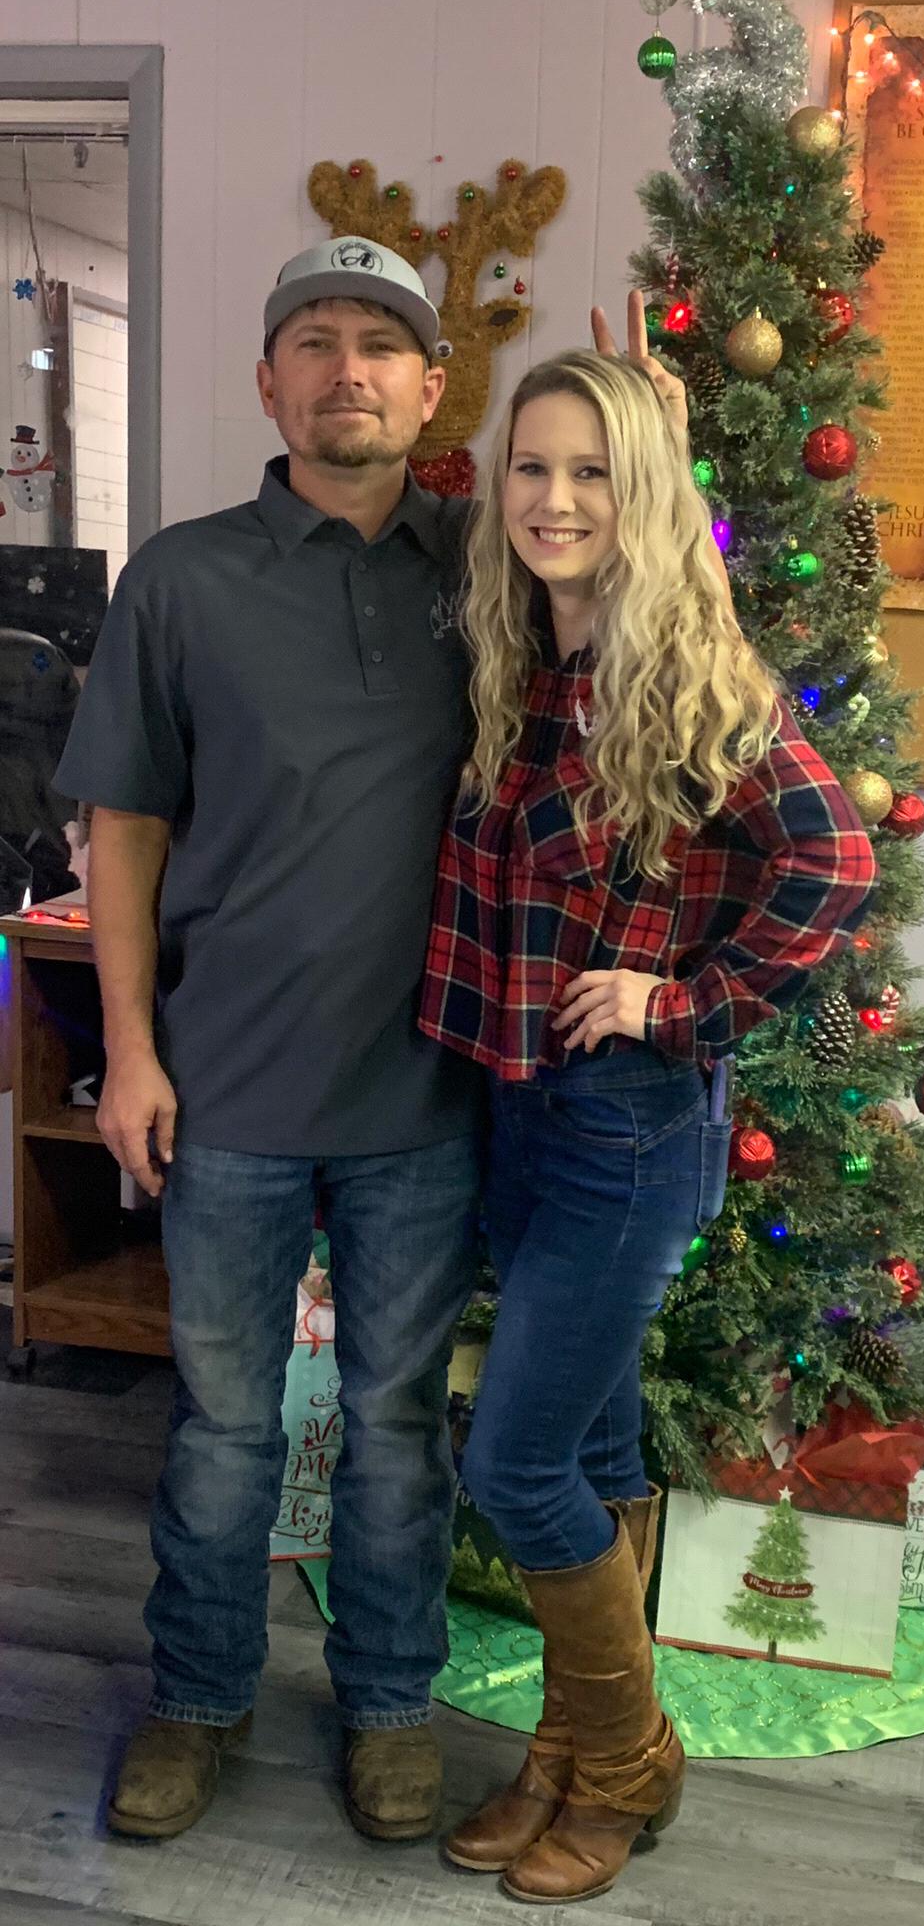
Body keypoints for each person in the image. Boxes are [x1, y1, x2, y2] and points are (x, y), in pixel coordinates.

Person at [419, 339, 878, 1904]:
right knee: (595, 1442)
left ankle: (624, 1761)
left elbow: (832, 864)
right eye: (533, 467)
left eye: (594, 473)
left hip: (627, 1127)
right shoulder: (518, 654)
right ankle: (566, 1751)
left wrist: (678, 1004)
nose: (555, 499)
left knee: (514, 1463)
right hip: (516, 1106)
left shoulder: (691, 674)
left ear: (645, 496)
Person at [53, 236, 487, 1844]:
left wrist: (655, 431)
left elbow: (656, 607)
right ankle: (198, 1698)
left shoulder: (490, 572)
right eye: (314, 339)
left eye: (379, 343)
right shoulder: (182, 579)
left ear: (432, 389)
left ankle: (387, 1704)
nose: (345, 368)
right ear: (267, 382)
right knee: (226, 1428)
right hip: (224, 1083)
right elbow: (125, 828)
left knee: (394, 1428)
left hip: (426, 1092)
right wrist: (130, 1051)